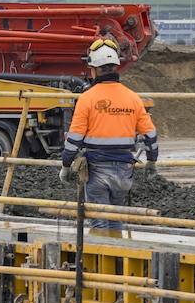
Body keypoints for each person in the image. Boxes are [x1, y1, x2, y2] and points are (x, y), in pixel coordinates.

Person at [58, 37, 159, 232]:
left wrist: (65, 165)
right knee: (115, 221)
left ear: (93, 69)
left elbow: (74, 139)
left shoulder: (87, 99)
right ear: (116, 67)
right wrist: (152, 162)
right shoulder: (133, 98)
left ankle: (100, 261)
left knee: (98, 223)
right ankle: (116, 259)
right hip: (124, 170)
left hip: (96, 170)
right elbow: (150, 134)